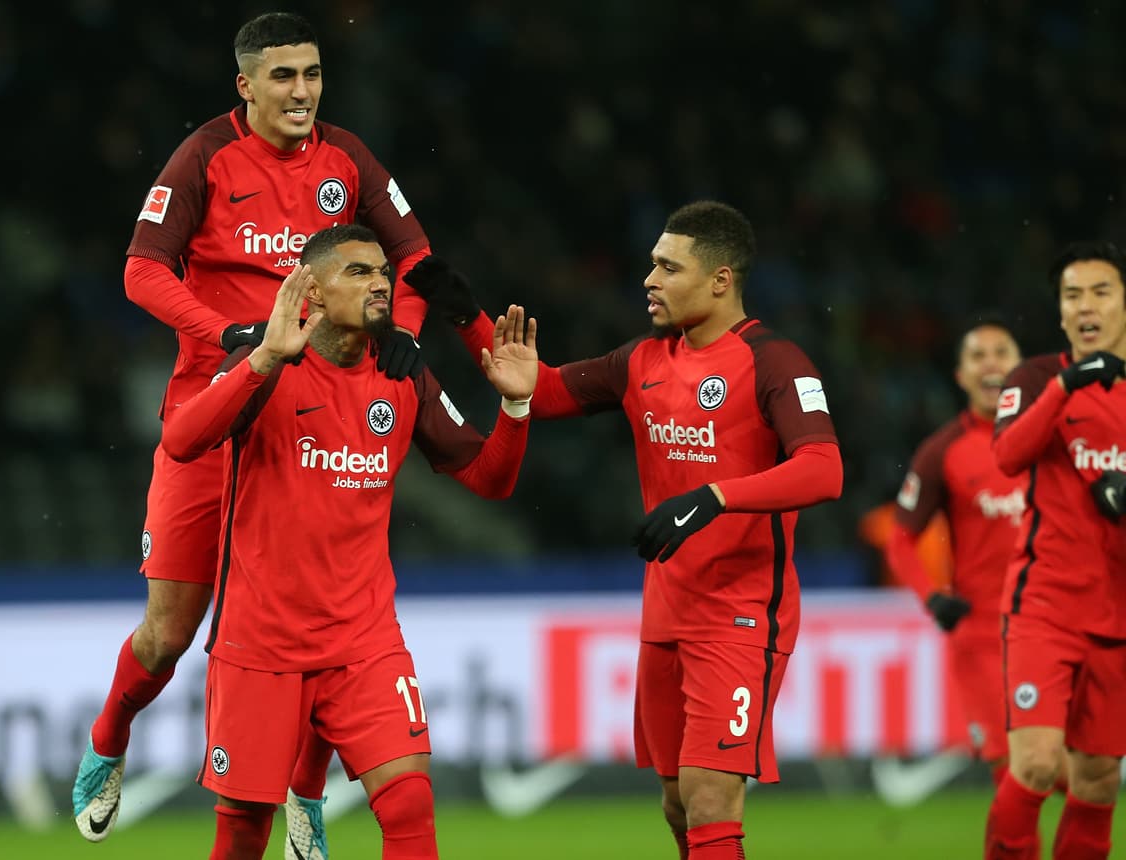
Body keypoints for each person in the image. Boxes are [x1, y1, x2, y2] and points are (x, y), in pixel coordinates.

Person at [72, 13, 433, 852]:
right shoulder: (204, 157)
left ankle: (303, 790)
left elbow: (414, 256)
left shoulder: (347, 158)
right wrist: (227, 335)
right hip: (219, 404)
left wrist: (406, 328)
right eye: (282, 77)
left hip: (313, 410)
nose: (302, 91)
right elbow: (139, 269)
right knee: (169, 632)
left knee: (317, 612)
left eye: (311, 74)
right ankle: (109, 736)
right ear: (246, 85)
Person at [408, 200, 843, 859]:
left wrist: (716, 496)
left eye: (669, 267)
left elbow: (824, 469)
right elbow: (545, 390)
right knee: (676, 802)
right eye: (651, 265)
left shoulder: (775, 361)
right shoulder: (642, 360)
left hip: (742, 614)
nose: (651, 280)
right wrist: (469, 321)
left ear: (721, 280)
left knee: (709, 797)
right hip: (666, 611)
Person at [160, 224, 537, 860]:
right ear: (310, 288)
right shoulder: (270, 363)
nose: (382, 283)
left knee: (411, 802)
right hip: (261, 644)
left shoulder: (403, 376)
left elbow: (489, 477)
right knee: (245, 831)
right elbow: (181, 441)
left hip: (364, 643)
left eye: (384, 272)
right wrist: (260, 360)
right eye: (360, 272)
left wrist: (517, 408)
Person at [984, 241, 1126, 860]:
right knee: (1039, 763)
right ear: (1061, 312)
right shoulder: (1037, 378)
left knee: (1097, 779)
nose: (1086, 305)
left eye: (1100, 291)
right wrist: (1068, 384)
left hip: (1118, 619)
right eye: (1073, 295)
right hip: (1044, 607)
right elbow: (1008, 456)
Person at [886, 317, 1025, 778]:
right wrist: (932, 596)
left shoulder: (1054, 440)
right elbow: (900, 539)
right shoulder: (943, 451)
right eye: (978, 355)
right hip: (983, 636)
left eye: (1001, 352)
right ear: (961, 376)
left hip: (1058, 626)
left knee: (1076, 770)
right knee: (1014, 772)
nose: (991, 364)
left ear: (1020, 369)